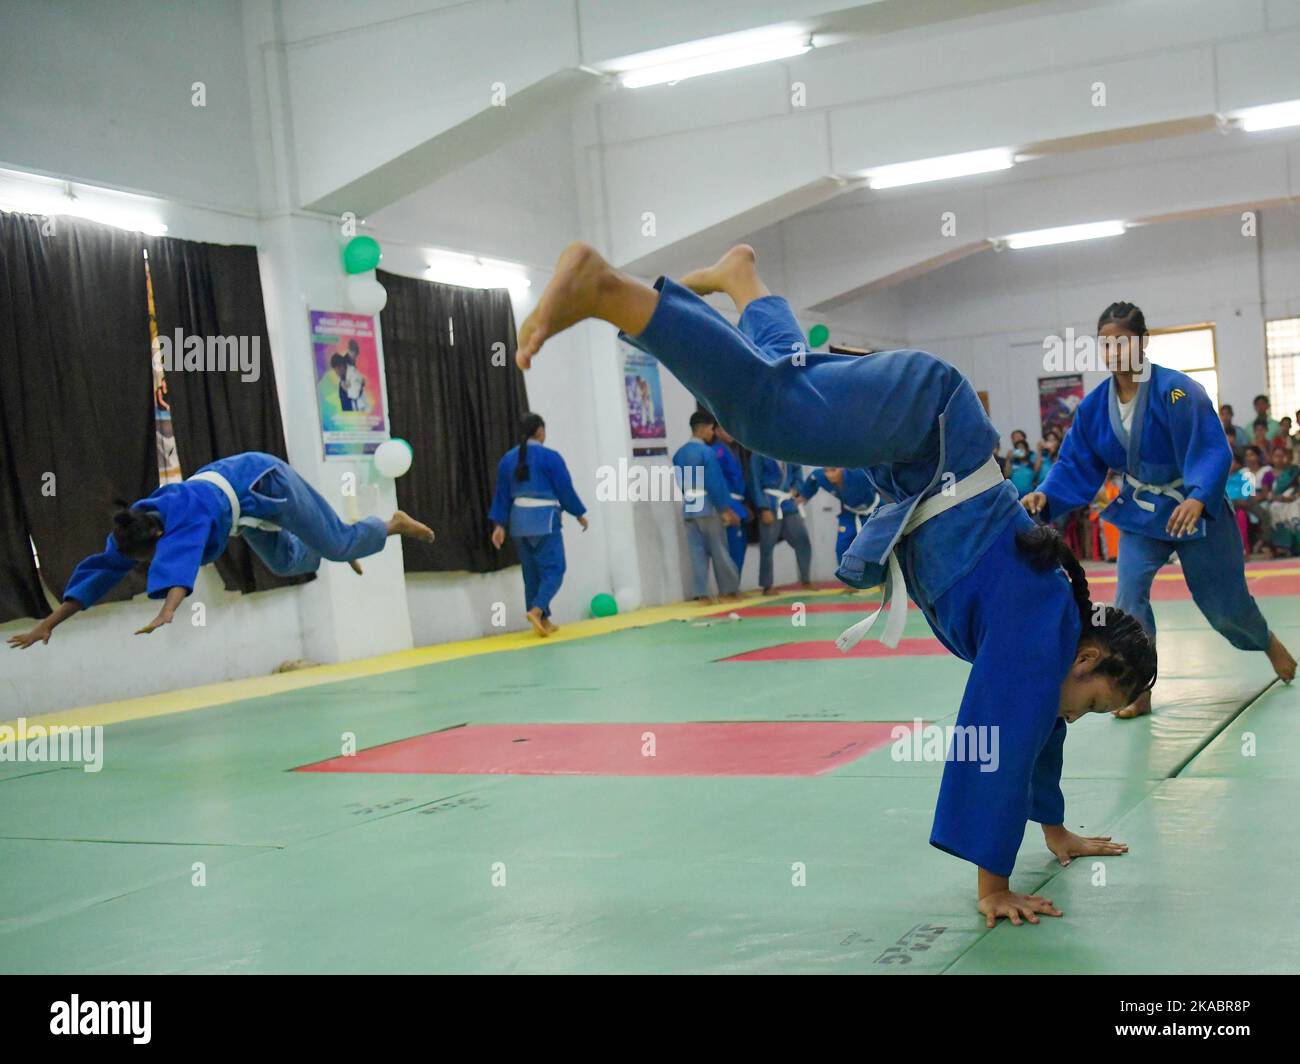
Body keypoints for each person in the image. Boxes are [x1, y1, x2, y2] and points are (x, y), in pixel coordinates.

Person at [514, 241, 1158, 926]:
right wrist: (992, 886)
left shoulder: (1052, 635)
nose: (1075, 716)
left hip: (922, 442)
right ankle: (606, 289)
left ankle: (746, 281)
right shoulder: (1043, 632)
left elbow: (1036, 728)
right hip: (928, 425)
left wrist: (1053, 828)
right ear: (1088, 659)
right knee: (764, 413)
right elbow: (999, 735)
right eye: (1090, 704)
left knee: (782, 387)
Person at [1023, 302, 1295, 718]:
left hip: (1194, 508)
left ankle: (1266, 640)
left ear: (1143, 342)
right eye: (1106, 345)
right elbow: (1076, 464)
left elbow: (1209, 448)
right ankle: (1139, 687)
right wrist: (1046, 495)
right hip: (1142, 512)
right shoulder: (1095, 408)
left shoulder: (1178, 391)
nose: (1114, 353)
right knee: (1128, 598)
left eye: (1122, 343)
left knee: (1225, 605)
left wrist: (1199, 495)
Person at [7, 451, 434, 648]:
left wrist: (168, 611)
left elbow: (179, 566)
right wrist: (50, 622)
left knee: (339, 544)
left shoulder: (182, 518)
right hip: (239, 514)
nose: (146, 565)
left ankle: (388, 524)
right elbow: (100, 572)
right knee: (286, 561)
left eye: (148, 559)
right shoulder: (135, 526)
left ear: (157, 541)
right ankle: (332, 539)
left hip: (264, 482)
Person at [488, 413, 587, 636]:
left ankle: (544, 620)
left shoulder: (507, 459)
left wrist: (499, 526)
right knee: (555, 569)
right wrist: (578, 513)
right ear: (540, 431)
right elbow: (565, 489)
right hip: (544, 520)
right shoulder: (550, 457)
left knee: (531, 573)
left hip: (518, 521)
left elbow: (502, 495)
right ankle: (537, 609)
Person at [672, 411, 741, 603]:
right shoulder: (707, 453)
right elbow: (714, 483)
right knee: (719, 548)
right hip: (708, 505)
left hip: (689, 506)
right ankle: (728, 591)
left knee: (696, 552)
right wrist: (725, 509)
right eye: (711, 429)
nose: (712, 433)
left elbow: (680, 483)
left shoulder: (679, 454)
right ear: (702, 429)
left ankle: (701, 594)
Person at [748, 452, 813, 594]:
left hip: (788, 502)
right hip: (769, 502)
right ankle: (767, 585)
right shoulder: (758, 451)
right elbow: (754, 480)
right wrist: (762, 507)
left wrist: (797, 487)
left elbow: (797, 473)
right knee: (767, 545)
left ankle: (806, 579)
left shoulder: (787, 447)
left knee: (802, 539)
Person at [794, 467, 879, 565]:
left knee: (876, 545)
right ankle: (846, 577)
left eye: (833, 470)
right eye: (826, 471)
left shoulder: (860, 474)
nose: (830, 475)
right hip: (849, 514)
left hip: (875, 510)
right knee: (842, 547)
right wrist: (804, 495)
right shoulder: (820, 476)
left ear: (842, 468)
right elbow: (813, 478)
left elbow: (882, 477)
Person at [711, 424, 751, 580]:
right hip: (729, 501)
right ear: (716, 431)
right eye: (725, 429)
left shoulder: (734, 450)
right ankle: (730, 587)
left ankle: (736, 583)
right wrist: (727, 507)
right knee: (732, 547)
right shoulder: (717, 451)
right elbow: (718, 481)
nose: (729, 434)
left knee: (740, 546)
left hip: (739, 501)